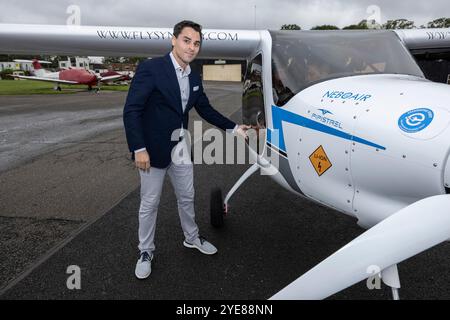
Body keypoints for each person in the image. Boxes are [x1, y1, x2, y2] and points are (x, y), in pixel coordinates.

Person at [123, 20, 250, 279]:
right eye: (186, 40)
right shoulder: (151, 69)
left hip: (180, 147)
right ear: (173, 40)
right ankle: (145, 251)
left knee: (187, 196)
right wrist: (139, 148)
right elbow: (131, 110)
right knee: (150, 203)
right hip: (152, 151)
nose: (192, 47)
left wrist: (234, 128)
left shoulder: (193, 74)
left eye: (196, 43)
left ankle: (191, 238)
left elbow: (204, 108)